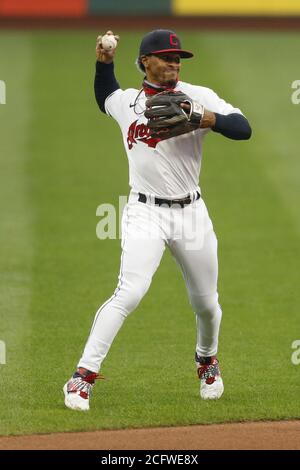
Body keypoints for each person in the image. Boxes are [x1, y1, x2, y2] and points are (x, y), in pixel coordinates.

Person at [63, 29, 251, 411]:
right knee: (129, 292)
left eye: (177, 58)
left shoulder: (198, 95)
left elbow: (243, 128)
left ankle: (206, 361)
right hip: (144, 212)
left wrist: (206, 118)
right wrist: (104, 60)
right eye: (165, 57)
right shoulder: (128, 103)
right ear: (145, 62)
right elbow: (105, 95)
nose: (173, 64)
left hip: (192, 213)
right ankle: (82, 377)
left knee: (207, 305)